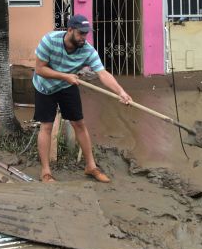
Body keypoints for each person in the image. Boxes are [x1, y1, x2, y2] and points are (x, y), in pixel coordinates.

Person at [33, 14, 131, 183]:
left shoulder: (87, 50)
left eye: (86, 34)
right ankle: (46, 172)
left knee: (79, 123)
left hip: (67, 85)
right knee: (47, 126)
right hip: (45, 87)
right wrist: (65, 76)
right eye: (80, 33)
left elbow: (102, 73)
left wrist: (120, 92)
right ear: (70, 30)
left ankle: (91, 167)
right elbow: (40, 69)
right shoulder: (49, 41)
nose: (84, 38)